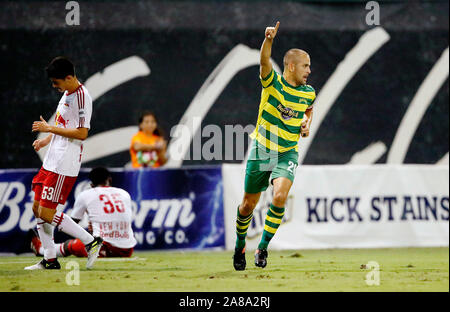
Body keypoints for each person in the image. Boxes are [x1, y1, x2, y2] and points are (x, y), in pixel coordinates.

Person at [233, 21, 316, 270]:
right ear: (291, 66)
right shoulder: (273, 83)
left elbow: (308, 110)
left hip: (287, 152)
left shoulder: (309, 92)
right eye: (306, 66)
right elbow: (264, 63)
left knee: (280, 196)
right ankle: (240, 246)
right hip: (263, 150)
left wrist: (306, 123)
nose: (309, 71)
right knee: (248, 204)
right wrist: (268, 40)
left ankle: (262, 248)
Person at [25, 56, 103, 270]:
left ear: (69, 77)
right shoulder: (67, 94)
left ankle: (91, 241)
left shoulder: (82, 97)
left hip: (64, 162)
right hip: (52, 159)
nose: (54, 86)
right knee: (37, 208)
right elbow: (62, 125)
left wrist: (50, 130)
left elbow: (82, 133)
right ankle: (50, 259)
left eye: (56, 82)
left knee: (47, 213)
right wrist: (46, 140)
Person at [30, 167, 137, 258]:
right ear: (109, 179)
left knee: (69, 245)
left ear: (91, 185)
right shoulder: (124, 193)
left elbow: (72, 224)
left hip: (103, 247)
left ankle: (42, 250)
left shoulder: (86, 194)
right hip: (127, 249)